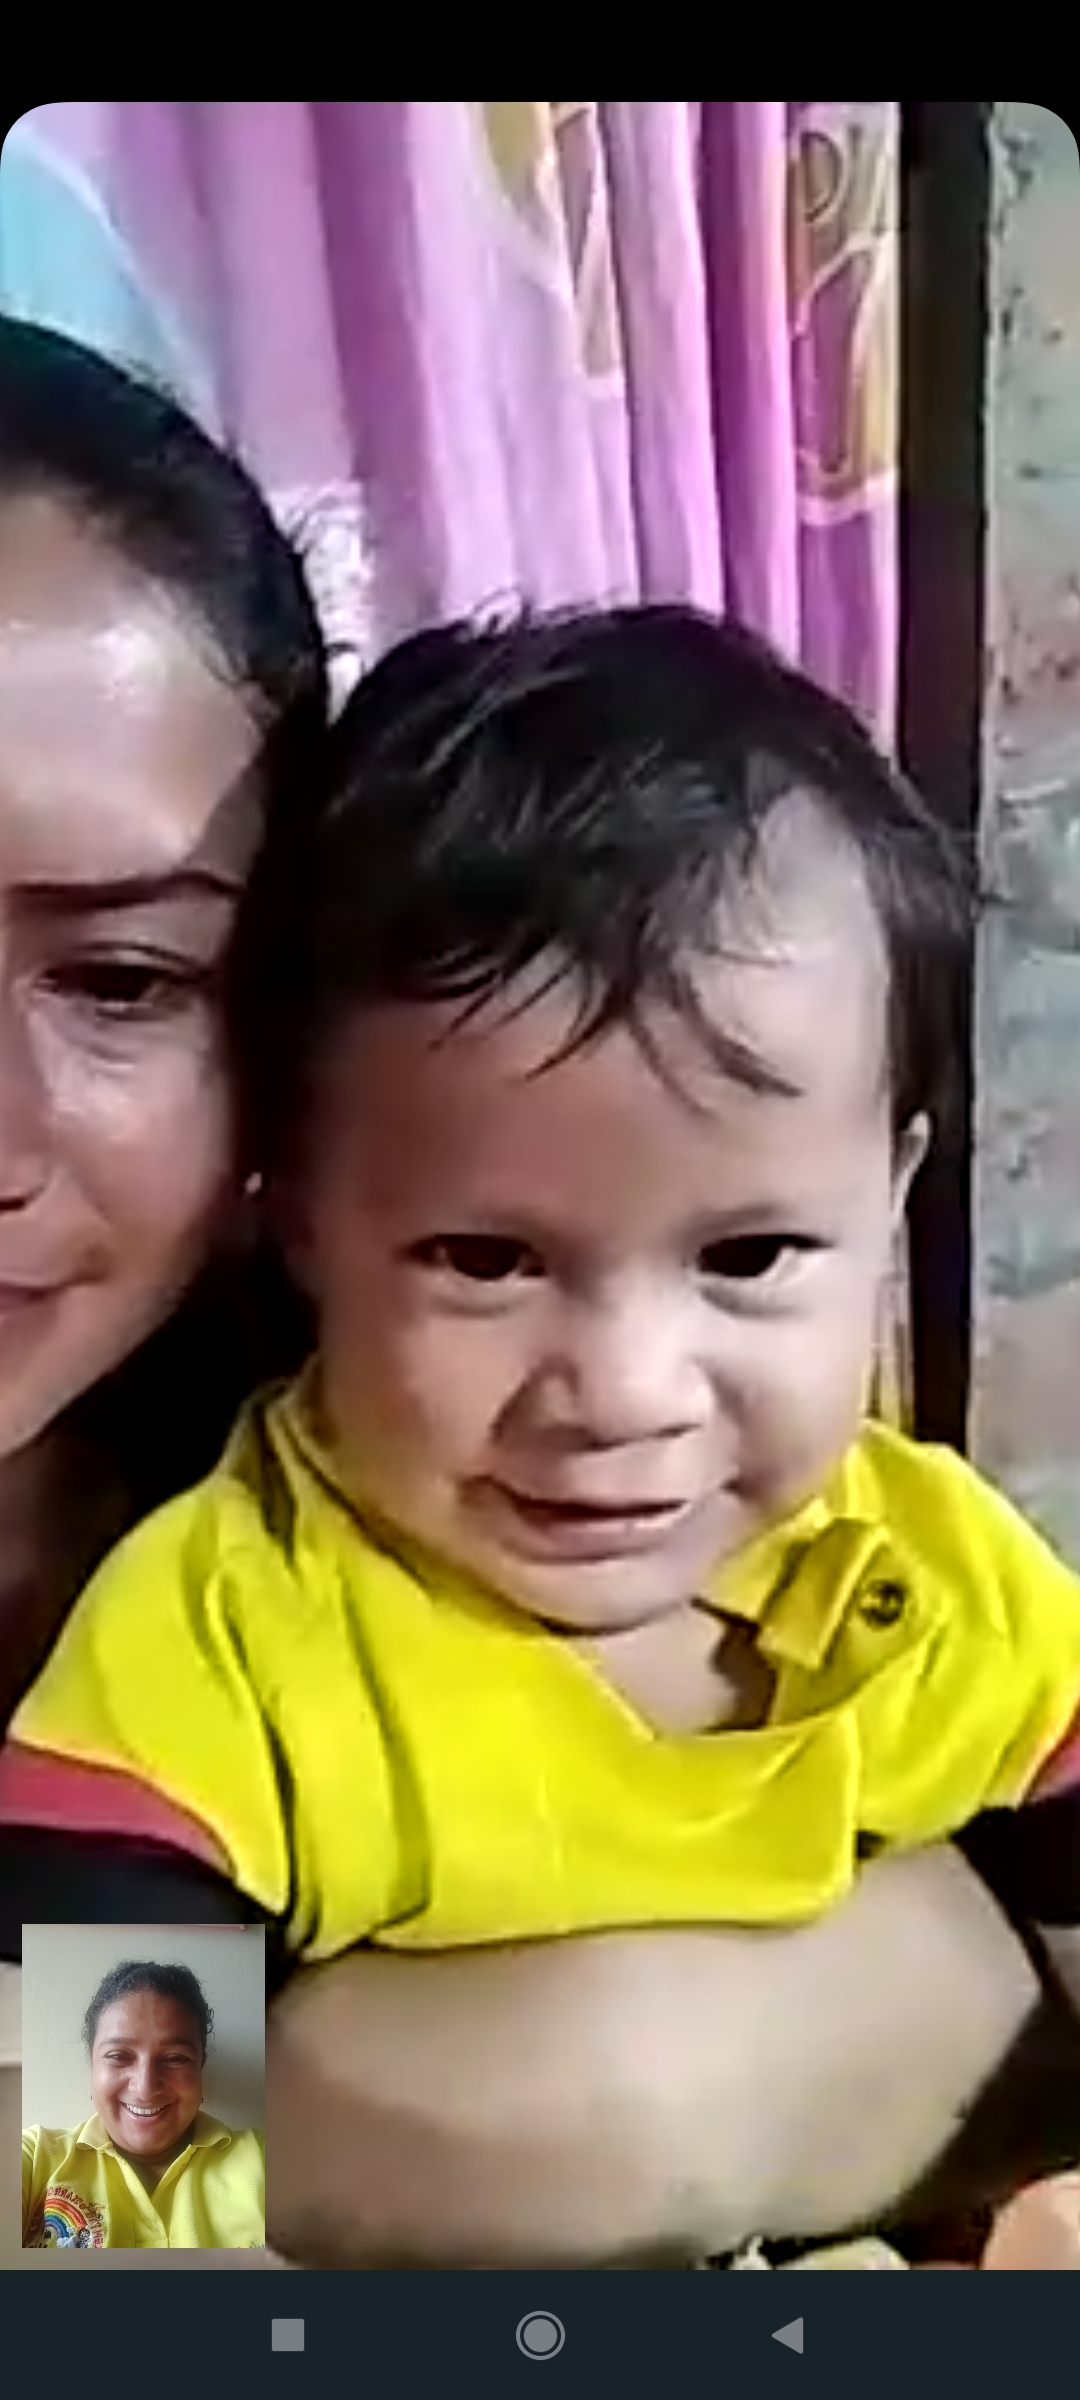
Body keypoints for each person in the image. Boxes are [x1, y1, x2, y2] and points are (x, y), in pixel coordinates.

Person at [3, 610, 1078, 2262]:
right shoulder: (221, 1646)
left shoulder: (930, 1573)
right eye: (486, 1261)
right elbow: (96, 2221)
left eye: (749, 1257)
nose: (627, 1391)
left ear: (893, 1197)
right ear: (298, 1219)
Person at [22, 1958, 264, 2248]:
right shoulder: (35, 2158)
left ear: (201, 2066)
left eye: (175, 2058)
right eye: (118, 2056)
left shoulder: (265, 2161)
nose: (145, 2088)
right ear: (93, 2065)